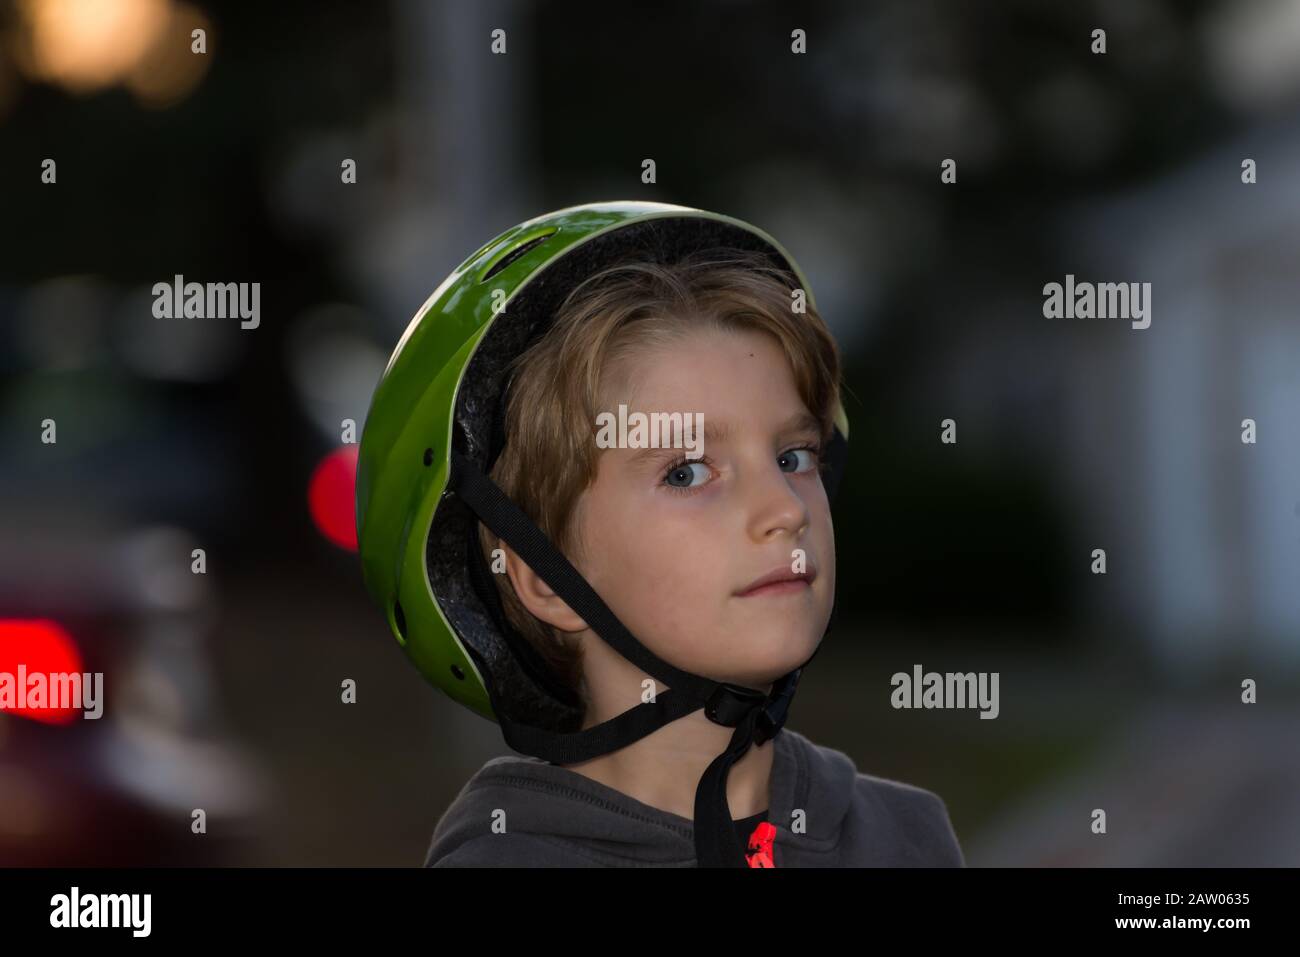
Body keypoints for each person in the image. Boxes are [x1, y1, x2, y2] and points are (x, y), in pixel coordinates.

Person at [356, 201, 964, 867]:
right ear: (540, 576)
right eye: (687, 471)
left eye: (794, 456)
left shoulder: (905, 837)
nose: (784, 508)